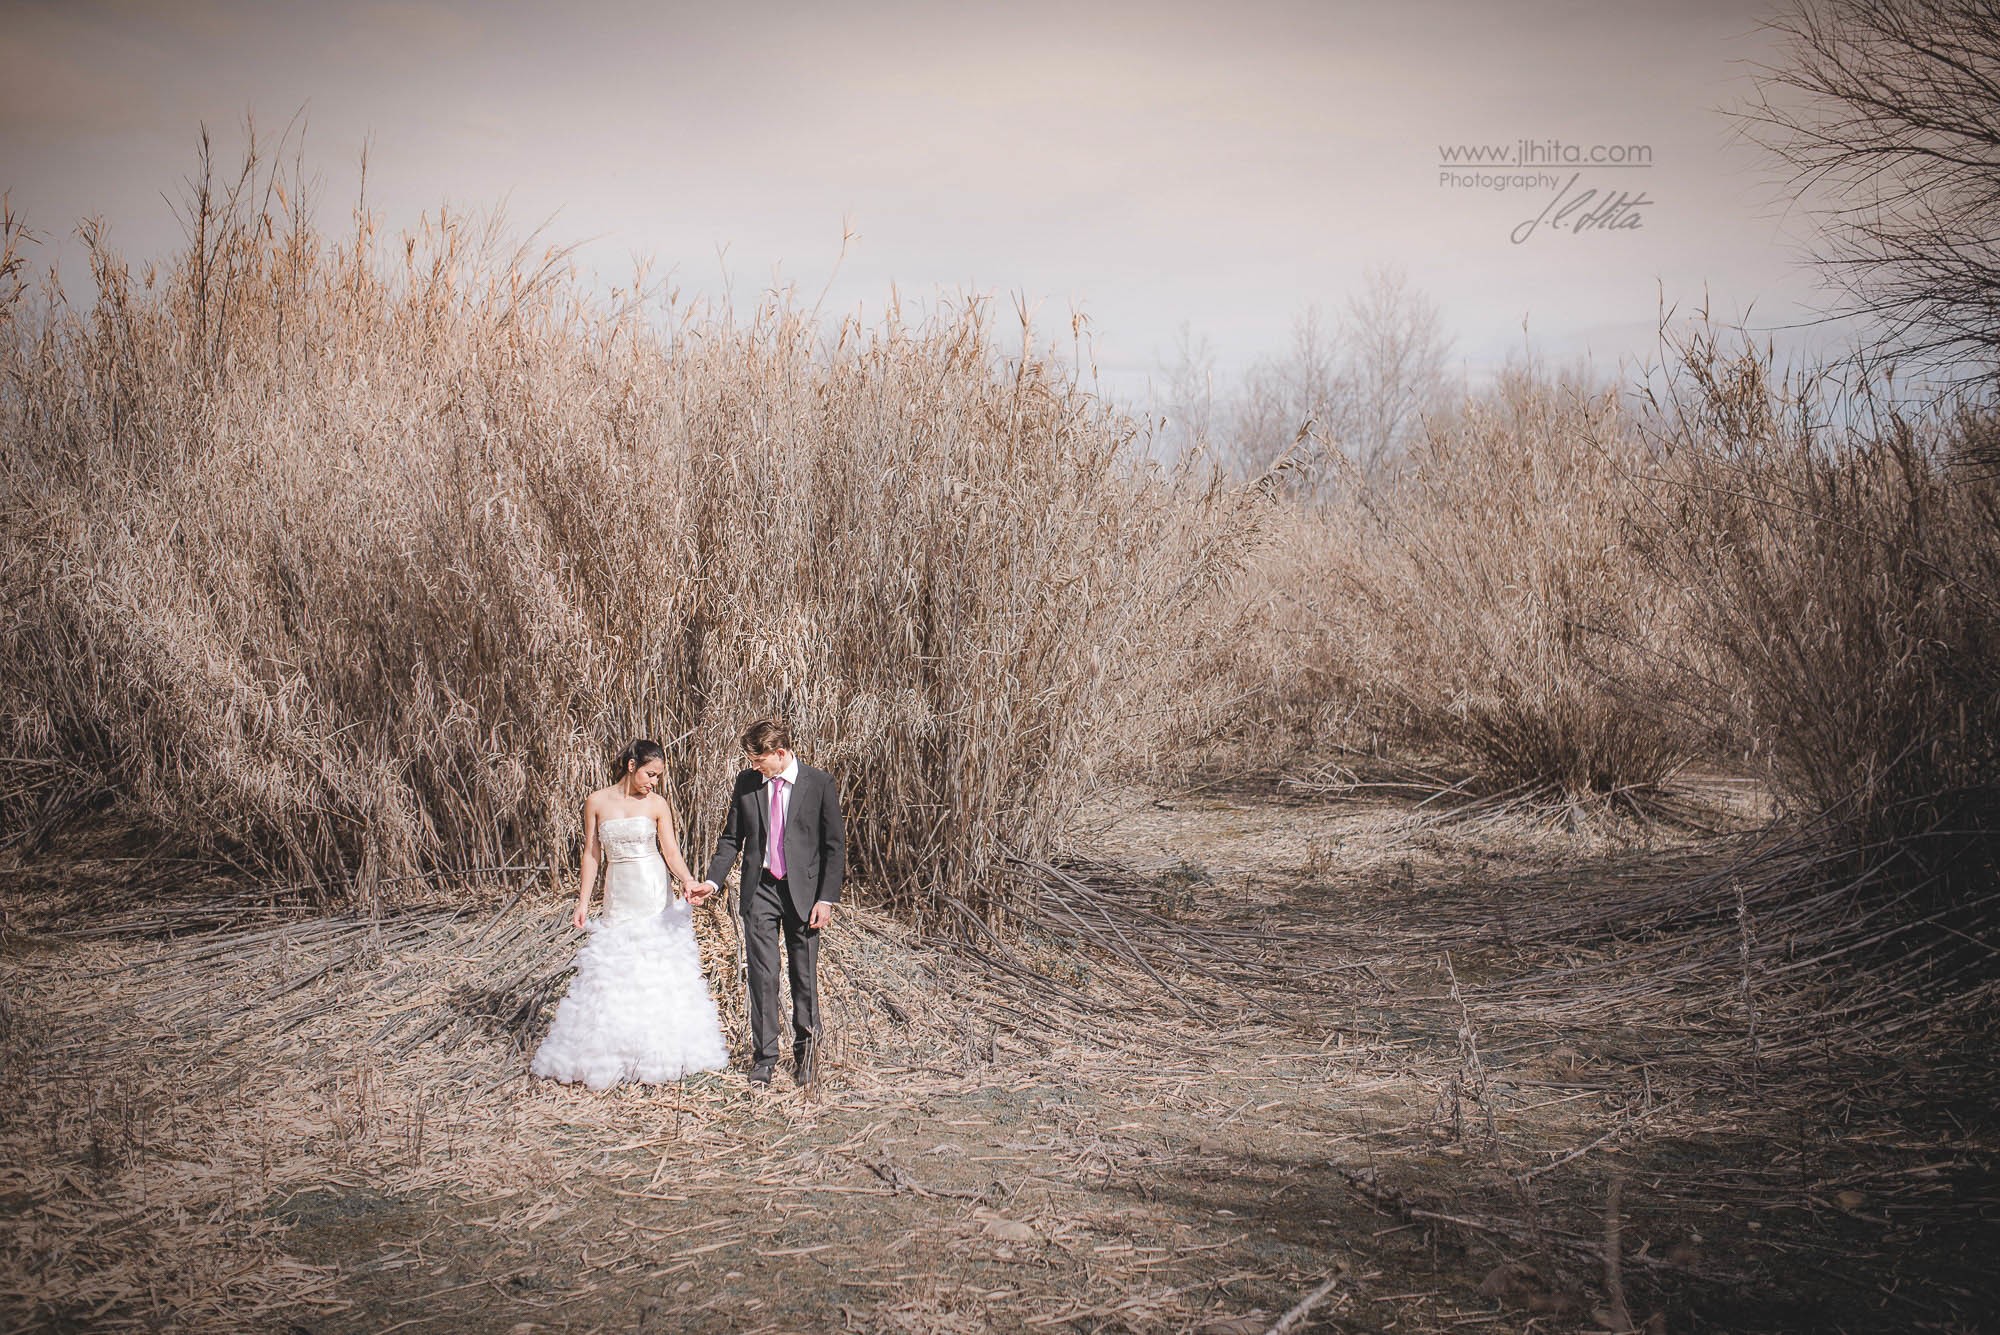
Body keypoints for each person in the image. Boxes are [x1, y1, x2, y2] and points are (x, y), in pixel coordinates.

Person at [529, 739, 730, 1089]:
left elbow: (669, 849)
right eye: (650, 774)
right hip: (617, 890)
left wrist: (687, 881)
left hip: (652, 887)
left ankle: (660, 1051)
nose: (654, 782)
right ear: (631, 765)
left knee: (654, 963)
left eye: (658, 777)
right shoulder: (597, 801)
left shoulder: (657, 804)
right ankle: (613, 1052)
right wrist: (582, 901)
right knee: (615, 965)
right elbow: (591, 855)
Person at [690, 718, 845, 1087]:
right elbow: (731, 838)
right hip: (759, 889)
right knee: (763, 975)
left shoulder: (819, 784)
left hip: (804, 895)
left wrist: (826, 899)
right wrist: (712, 881)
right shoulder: (747, 784)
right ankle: (765, 1058)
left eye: (759, 759)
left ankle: (807, 1055)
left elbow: (834, 847)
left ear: (780, 753)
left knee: (803, 976)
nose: (753, 766)